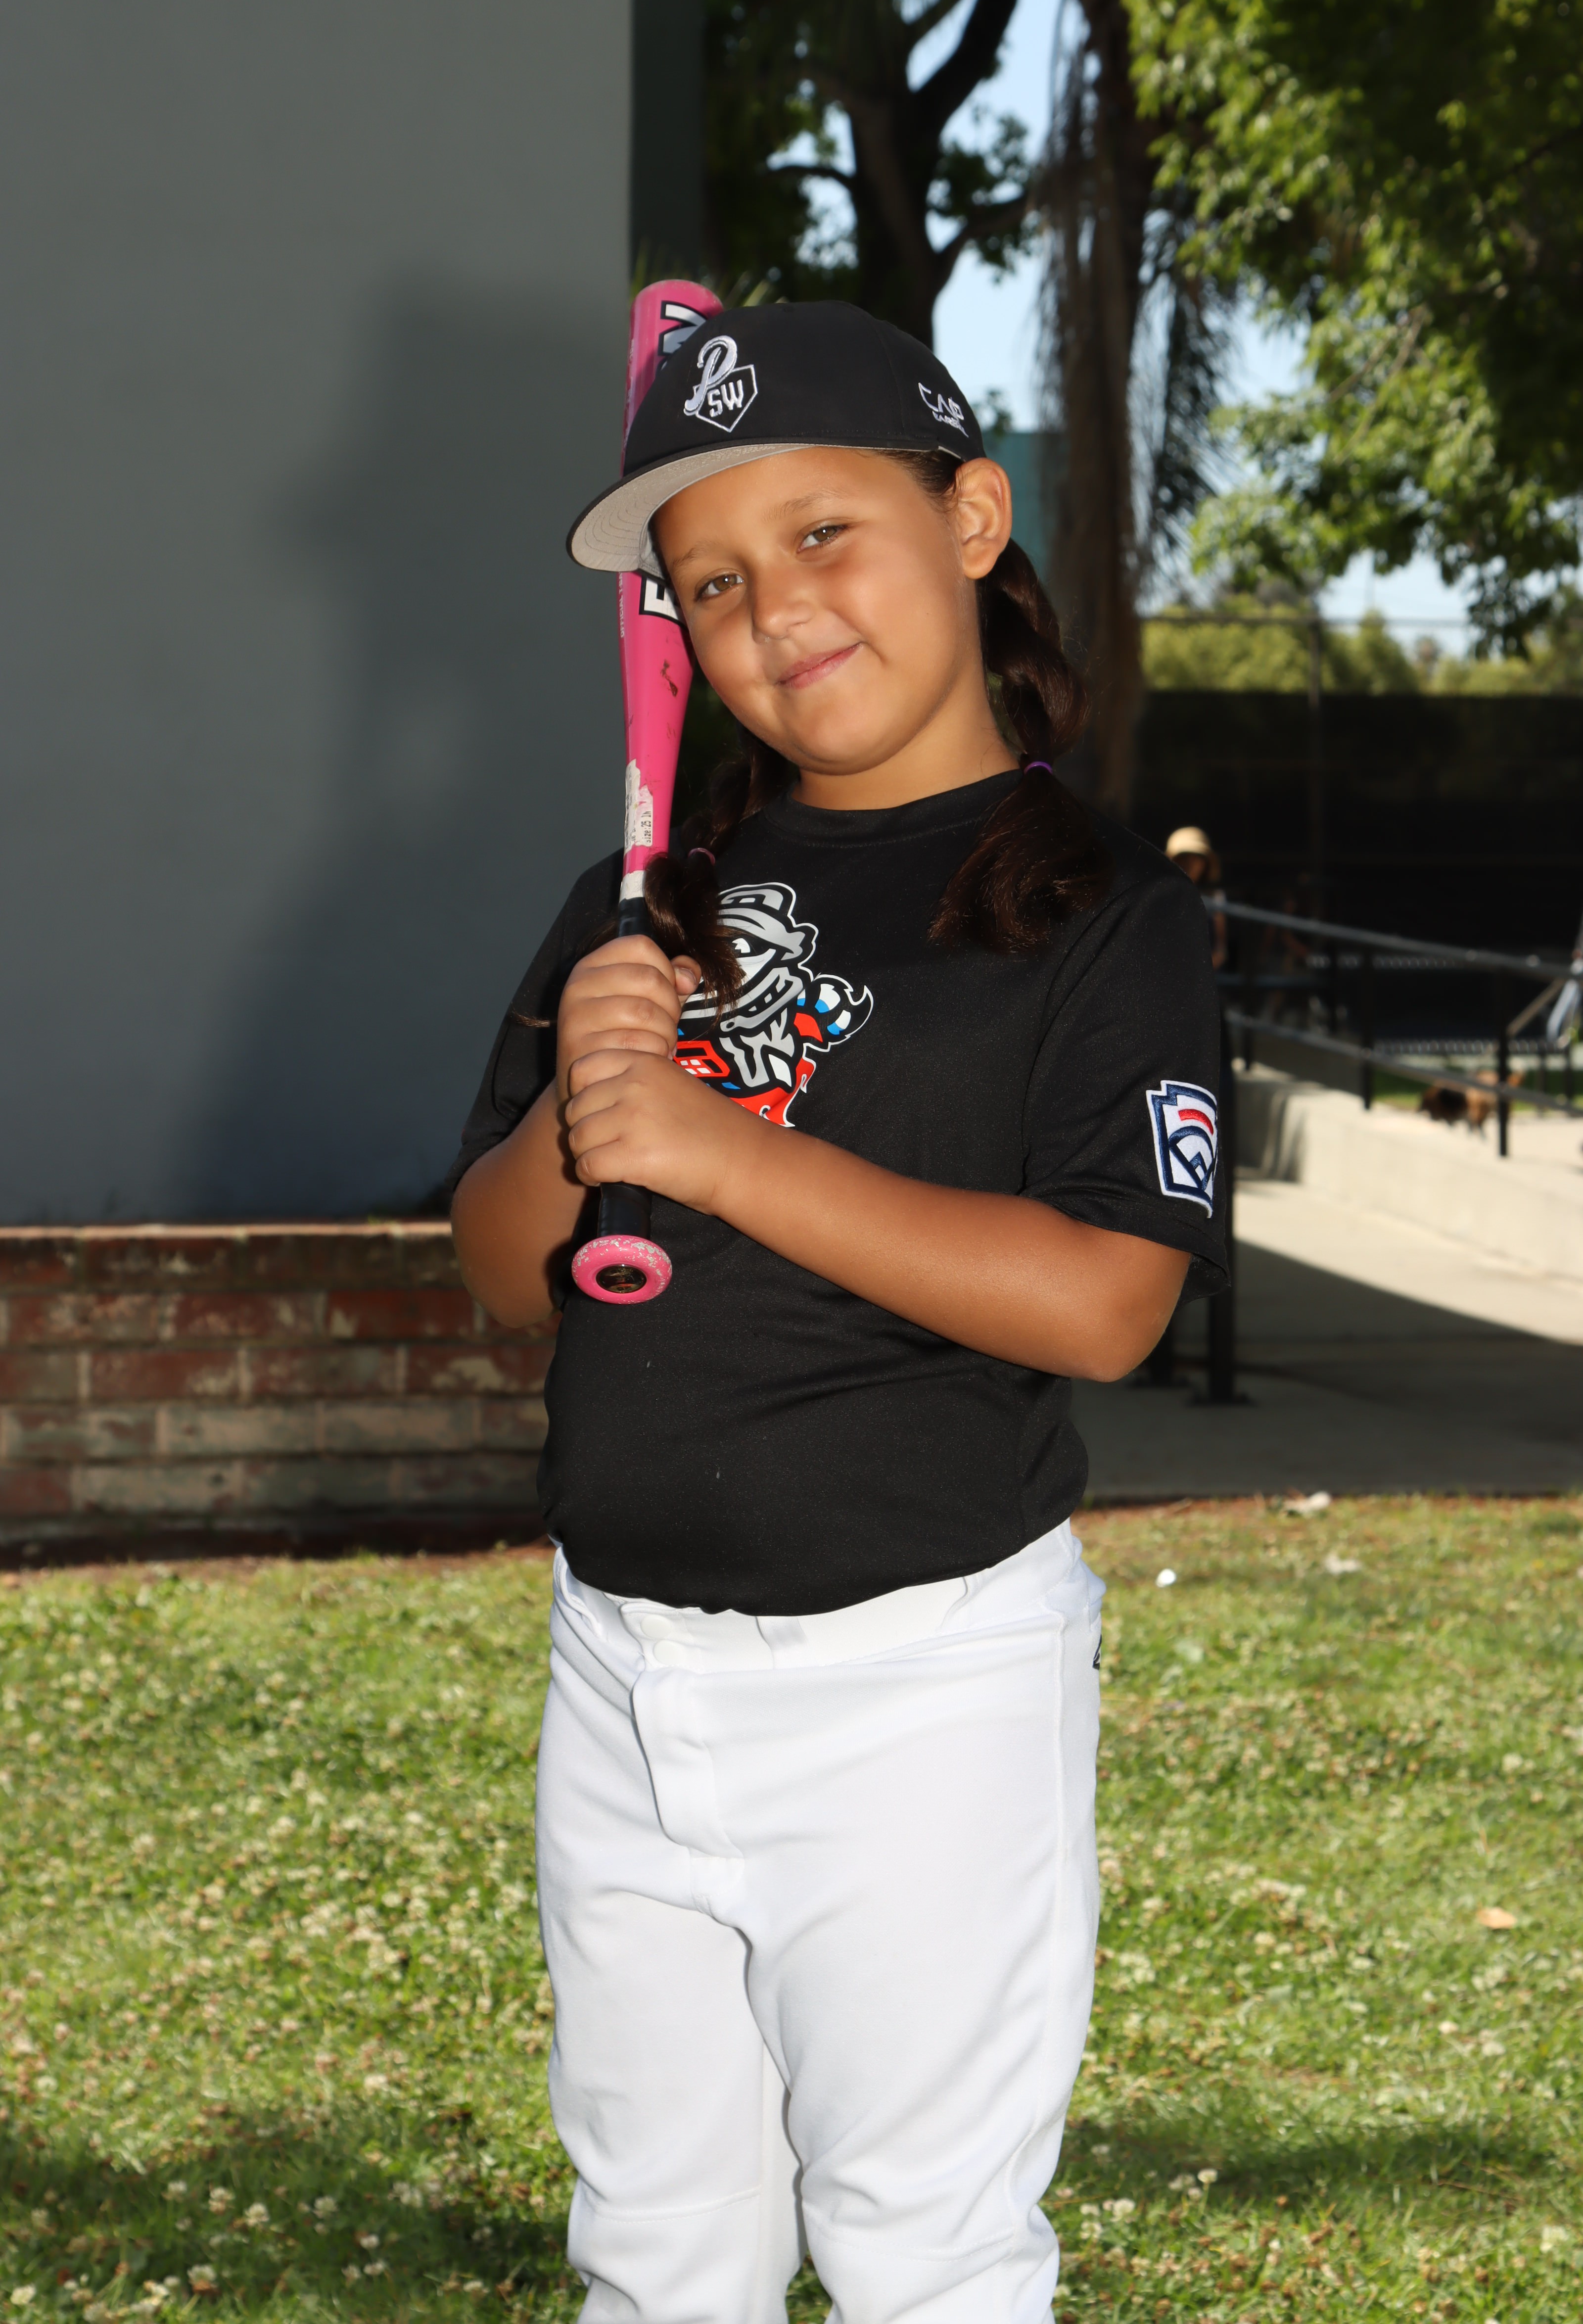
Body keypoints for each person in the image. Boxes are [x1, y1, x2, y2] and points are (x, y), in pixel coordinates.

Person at [448, 301, 1227, 2324]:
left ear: (968, 520)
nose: (772, 607)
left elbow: (1106, 1305)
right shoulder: (640, 902)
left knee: (921, 2250)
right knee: (656, 2245)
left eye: (820, 533)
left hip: (919, 1684)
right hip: (622, 1667)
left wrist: (724, 1153)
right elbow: (501, 1274)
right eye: (709, 579)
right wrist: (579, 1105)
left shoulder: (1102, 910)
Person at [1164, 823, 1228, 968]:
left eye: (1197, 857)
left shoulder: (1215, 896)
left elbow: (1221, 948)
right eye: (1184, 857)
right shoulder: (1160, 893)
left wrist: (1204, 968)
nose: (1191, 863)